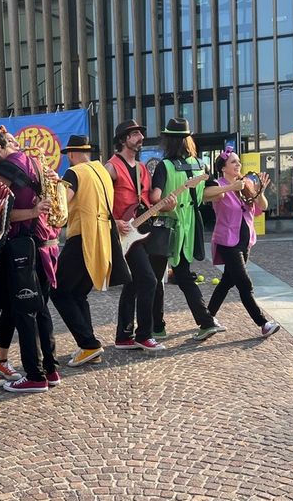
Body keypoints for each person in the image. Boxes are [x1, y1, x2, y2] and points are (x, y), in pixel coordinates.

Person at [0, 125, 61, 394]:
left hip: (24, 247)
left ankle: (35, 375)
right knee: (39, 309)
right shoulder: (32, 161)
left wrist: (32, 211)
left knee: (25, 311)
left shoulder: (9, 167)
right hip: (44, 244)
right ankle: (50, 369)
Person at [148, 119, 224, 342]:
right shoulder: (200, 164)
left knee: (155, 278)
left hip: (165, 228)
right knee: (184, 276)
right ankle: (206, 321)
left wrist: (165, 202)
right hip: (189, 227)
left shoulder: (164, 166)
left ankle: (158, 327)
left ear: (168, 140)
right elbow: (215, 193)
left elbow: (155, 198)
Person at [50, 135, 117, 367]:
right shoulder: (102, 171)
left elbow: (61, 206)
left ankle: (89, 344)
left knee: (58, 291)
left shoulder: (74, 172)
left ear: (70, 154)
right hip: (103, 239)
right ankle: (89, 347)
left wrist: (54, 189)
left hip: (82, 238)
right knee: (78, 294)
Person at [204, 147, 280, 338]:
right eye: (233, 162)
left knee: (227, 281)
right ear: (223, 168)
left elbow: (262, 207)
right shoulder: (218, 185)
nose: (238, 164)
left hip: (245, 241)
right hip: (227, 242)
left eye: (238, 161)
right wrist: (231, 187)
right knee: (244, 284)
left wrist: (259, 191)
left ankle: (207, 317)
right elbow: (206, 195)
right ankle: (263, 323)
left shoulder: (246, 184)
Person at [105, 119, 164, 351]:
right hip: (124, 234)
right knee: (149, 280)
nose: (141, 137)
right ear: (123, 139)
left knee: (132, 284)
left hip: (141, 231)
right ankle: (144, 335)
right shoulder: (111, 167)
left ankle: (123, 336)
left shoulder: (141, 168)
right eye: (135, 134)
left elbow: (147, 201)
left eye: (141, 133)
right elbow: (100, 200)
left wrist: (164, 205)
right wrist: (114, 222)